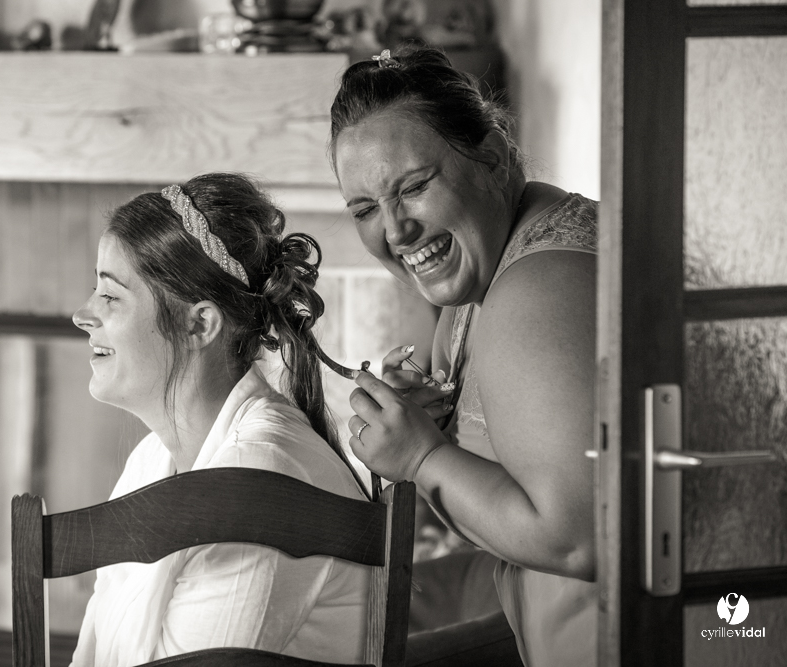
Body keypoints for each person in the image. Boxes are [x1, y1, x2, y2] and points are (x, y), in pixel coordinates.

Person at [330, 45, 598, 667]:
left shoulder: (537, 290)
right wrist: (431, 426)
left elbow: (574, 541)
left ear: (494, 159)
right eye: (365, 209)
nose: (394, 231)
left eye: (414, 188)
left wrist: (422, 456)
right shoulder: (478, 283)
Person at [69, 173, 371, 667]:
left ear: (200, 324)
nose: (82, 314)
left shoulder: (260, 477)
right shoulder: (150, 462)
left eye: (111, 295)